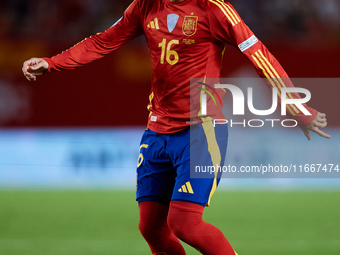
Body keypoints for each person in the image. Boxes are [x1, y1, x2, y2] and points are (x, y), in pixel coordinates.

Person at [22, 0, 331, 254]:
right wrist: (53, 62)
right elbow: (105, 40)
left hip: (201, 129)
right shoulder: (145, 6)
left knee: (185, 223)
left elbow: (260, 55)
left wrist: (297, 108)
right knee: (151, 229)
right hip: (156, 130)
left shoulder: (214, 10)